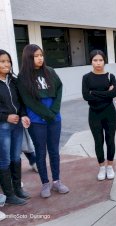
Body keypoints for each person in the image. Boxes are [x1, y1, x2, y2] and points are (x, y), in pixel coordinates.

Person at [17, 44, 69, 198]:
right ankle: (45, 183)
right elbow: (28, 101)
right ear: (28, 58)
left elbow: (59, 89)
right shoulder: (23, 78)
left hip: (54, 118)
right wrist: (47, 114)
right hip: (37, 121)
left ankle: (57, 181)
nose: (40, 58)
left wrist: (53, 111)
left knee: (54, 151)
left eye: (41, 55)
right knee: (40, 152)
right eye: (36, 56)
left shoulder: (50, 71)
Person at [0, 49, 30, 205]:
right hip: (2, 126)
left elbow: (21, 102)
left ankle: (18, 189)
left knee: (16, 158)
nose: (6, 64)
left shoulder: (13, 80)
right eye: (2, 61)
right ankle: (9, 194)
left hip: (17, 125)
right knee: (4, 160)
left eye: (8, 61)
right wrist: (5, 117)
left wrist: (23, 115)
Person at [82, 50, 116, 181]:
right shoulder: (86, 77)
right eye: (95, 60)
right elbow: (86, 96)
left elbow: (114, 93)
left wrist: (94, 93)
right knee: (98, 141)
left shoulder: (110, 76)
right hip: (94, 114)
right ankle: (102, 167)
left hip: (110, 113)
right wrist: (105, 93)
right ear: (91, 61)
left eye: (101, 60)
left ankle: (110, 166)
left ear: (104, 61)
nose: (98, 63)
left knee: (110, 140)